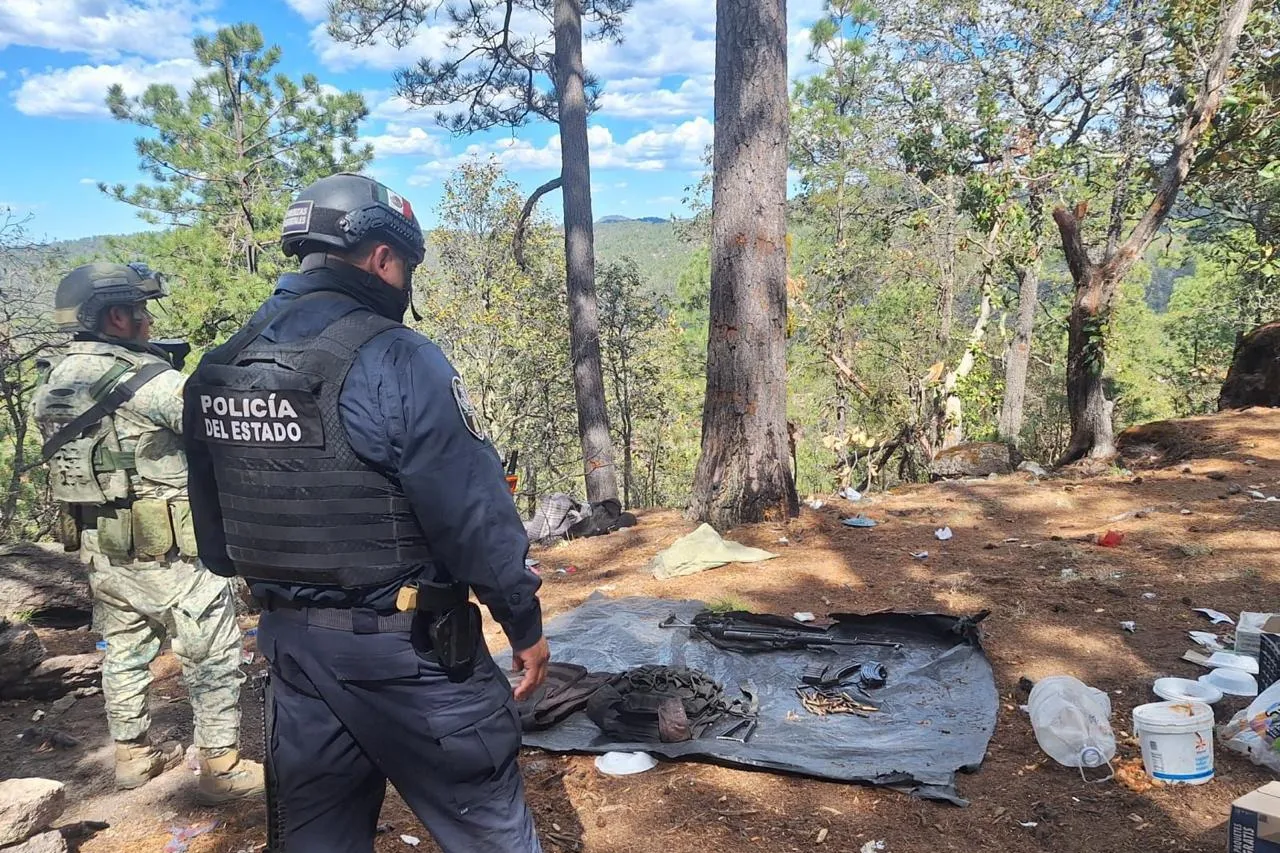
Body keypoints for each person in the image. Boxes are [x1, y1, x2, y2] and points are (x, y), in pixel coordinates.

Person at [183, 174, 550, 853]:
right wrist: (521, 621)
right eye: (404, 267)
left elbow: (217, 545)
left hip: (295, 655)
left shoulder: (219, 366)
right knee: (491, 833)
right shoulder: (397, 357)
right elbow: (472, 514)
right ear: (384, 259)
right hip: (411, 657)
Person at [31, 262, 265, 802]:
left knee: (125, 652)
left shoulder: (54, 377)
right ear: (116, 315)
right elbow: (220, 429)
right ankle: (221, 767)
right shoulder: (145, 380)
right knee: (211, 652)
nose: (148, 321)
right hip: (172, 554)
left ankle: (133, 756)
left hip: (103, 549)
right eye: (141, 311)